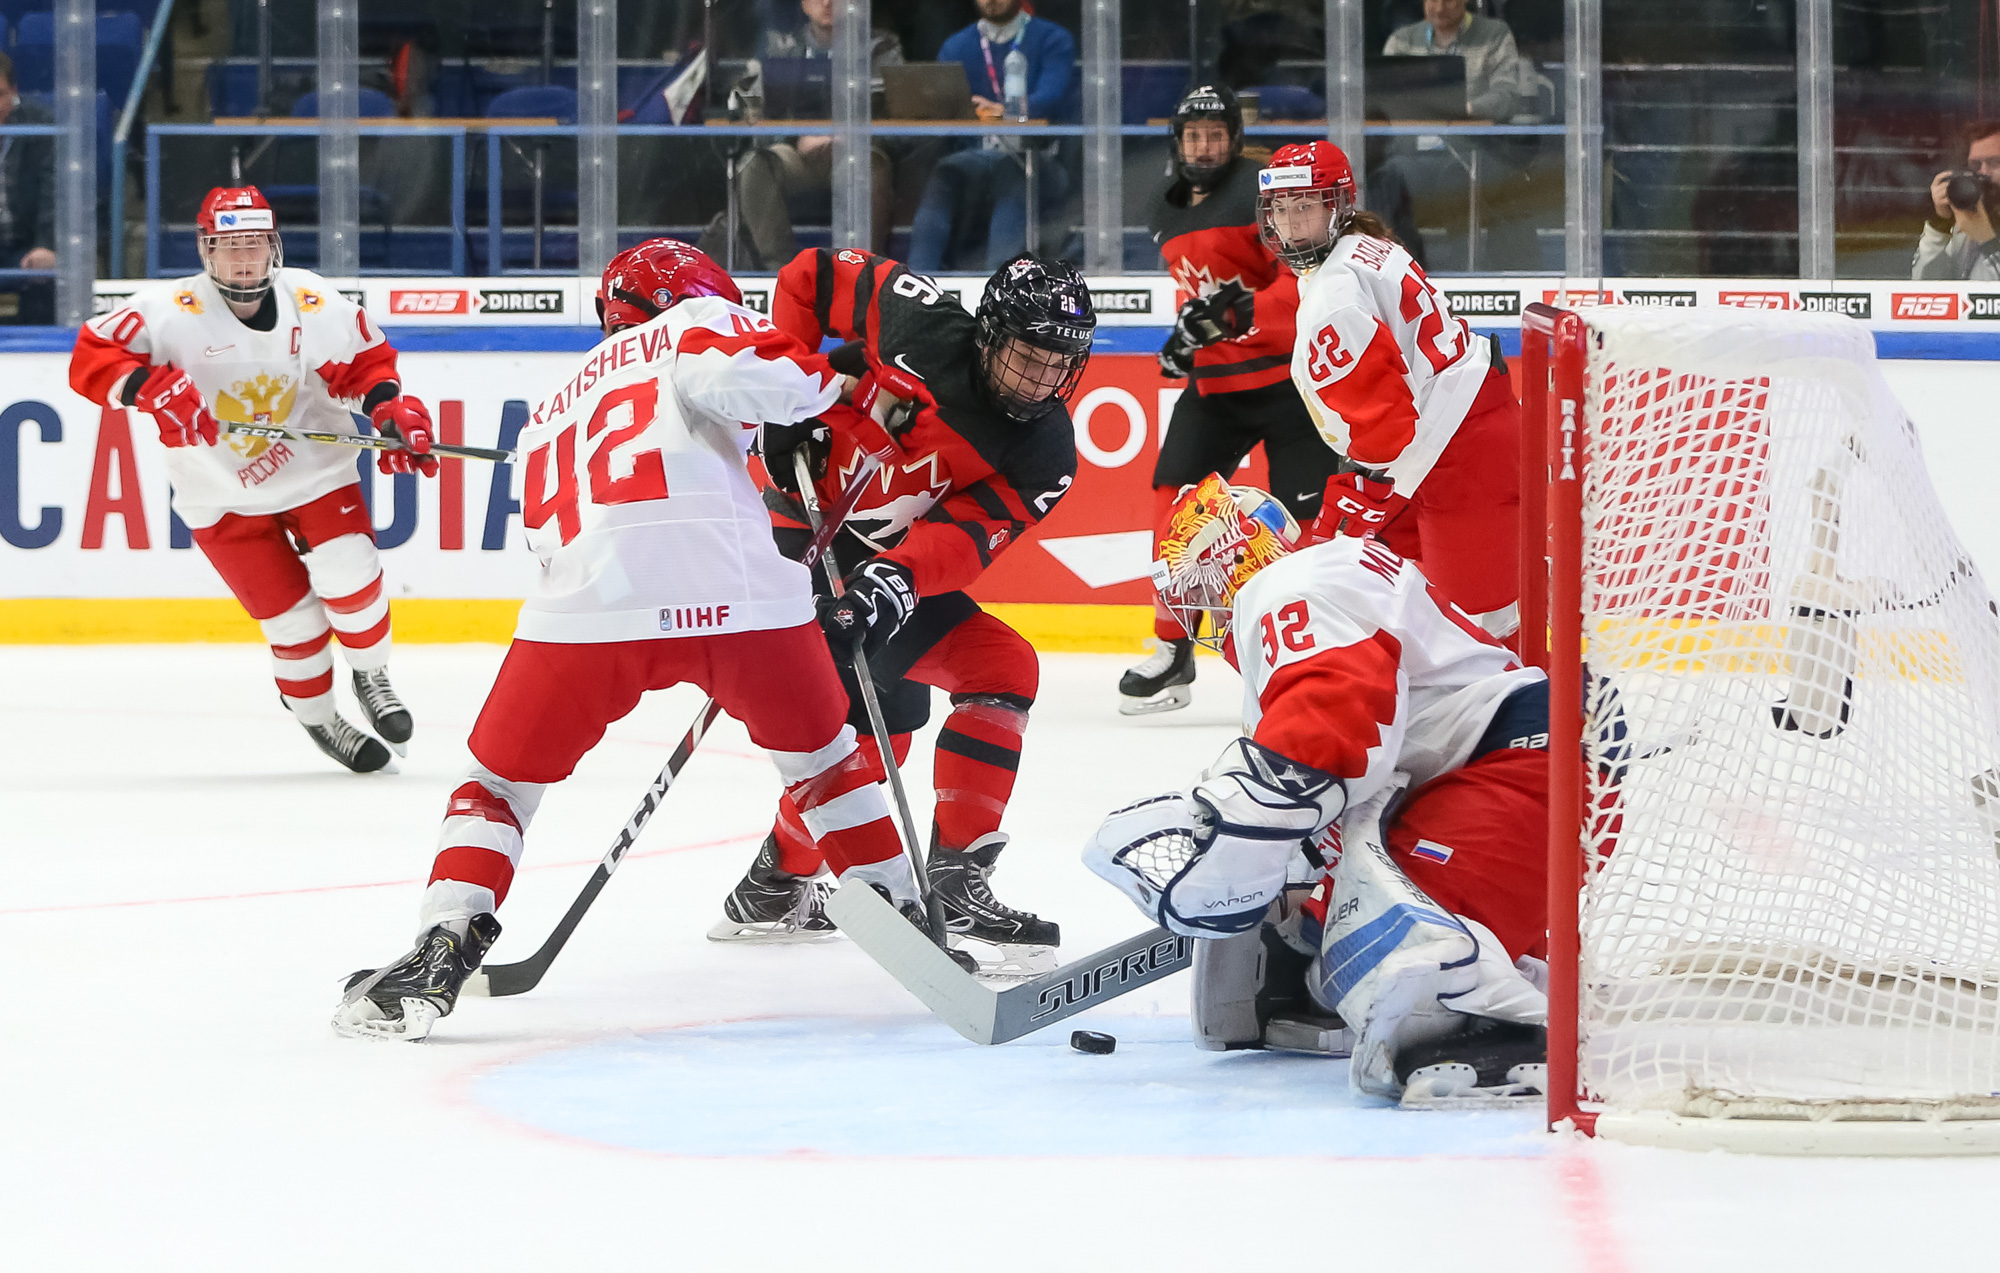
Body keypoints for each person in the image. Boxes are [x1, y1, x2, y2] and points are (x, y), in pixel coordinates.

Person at [333, 240, 939, 1041]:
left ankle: (446, 939)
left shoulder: (554, 401)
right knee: (826, 762)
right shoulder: (694, 321)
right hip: (746, 603)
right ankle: (901, 909)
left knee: (496, 788)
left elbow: (549, 538)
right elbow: (768, 378)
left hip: (589, 611)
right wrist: (847, 386)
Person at [1085, 474, 1551, 1103]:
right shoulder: (1325, 576)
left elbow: (1336, 721)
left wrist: (1242, 835)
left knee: (1375, 936)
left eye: (1196, 586)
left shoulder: (1289, 587)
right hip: (1508, 774)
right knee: (1332, 916)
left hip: (1521, 767)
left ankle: (1498, 1034)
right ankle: (1496, 968)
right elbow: (1360, 763)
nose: (1197, 610)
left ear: (1231, 554)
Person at [709, 247, 1094, 969]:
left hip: (881, 566)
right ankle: (789, 880)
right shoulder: (916, 314)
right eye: (1026, 356)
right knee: (882, 728)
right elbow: (807, 276)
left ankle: (813, 878)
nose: (1041, 378)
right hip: (801, 527)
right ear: (987, 335)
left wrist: (893, 581)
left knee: (950, 694)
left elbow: (968, 536)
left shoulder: (1047, 451)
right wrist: (786, 393)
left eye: (1057, 363)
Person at [70, 186, 435, 773]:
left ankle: (371, 672)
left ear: (274, 247)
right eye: (228, 245)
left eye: (255, 244)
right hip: (218, 495)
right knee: (295, 624)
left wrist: (389, 408)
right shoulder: (168, 311)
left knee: (352, 575)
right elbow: (91, 356)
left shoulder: (310, 299)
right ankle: (320, 719)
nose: (243, 258)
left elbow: (364, 365)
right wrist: (146, 389)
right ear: (205, 250)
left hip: (315, 474)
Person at [1119, 83, 1340, 716]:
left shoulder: (1262, 191)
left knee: (1305, 529)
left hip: (1287, 386)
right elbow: (1200, 293)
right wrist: (1183, 342)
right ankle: (1173, 647)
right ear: (1177, 142)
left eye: (1217, 134)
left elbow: (1301, 286)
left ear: (1236, 139)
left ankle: (1311, 659)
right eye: (1194, 136)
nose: (1206, 146)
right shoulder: (1164, 208)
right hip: (1214, 388)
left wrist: (1229, 317)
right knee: (1171, 508)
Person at [1258, 140, 1522, 640]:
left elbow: (1387, 430)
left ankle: (1546, 716)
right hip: (1460, 439)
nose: (1291, 224)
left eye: (1306, 207)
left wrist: (1357, 484)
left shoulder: (1333, 295)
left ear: (1337, 205)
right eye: (1282, 209)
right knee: (1394, 607)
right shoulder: (1366, 247)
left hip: (1457, 456)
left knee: (1481, 633)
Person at [695, 0, 904, 268]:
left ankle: (863, 271)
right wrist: (793, 137)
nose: (828, 3)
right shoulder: (779, 47)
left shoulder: (882, 46)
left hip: (855, 150)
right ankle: (781, 272)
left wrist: (847, 136)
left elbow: (897, 116)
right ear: (804, 5)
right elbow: (755, 111)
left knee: (867, 165)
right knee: (755, 166)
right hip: (797, 152)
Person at [907, 0, 1076, 273]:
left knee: (1010, 172)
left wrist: (1005, 111)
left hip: (1038, 158)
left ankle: (999, 285)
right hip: (975, 156)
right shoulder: (956, 46)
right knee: (944, 172)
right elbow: (940, 106)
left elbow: (1051, 95)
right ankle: (918, 278)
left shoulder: (1053, 39)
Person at [1381, 0, 1536, 122]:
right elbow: (1383, 98)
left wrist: (1468, 110)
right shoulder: (1400, 41)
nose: (1440, 8)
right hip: (1407, 152)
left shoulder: (1495, 35)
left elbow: (1507, 96)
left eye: (1448, 1)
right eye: (1433, 0)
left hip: (1475, 150)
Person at [0, 53, 56, 324]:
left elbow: (53, 190)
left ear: (14, 91)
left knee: (46, 277)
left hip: (26, 245)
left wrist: (46, 245)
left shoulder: (41, 127)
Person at [1916, 120, 2000, 282]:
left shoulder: (1975, 225)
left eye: (1994, 162)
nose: (1983, 172)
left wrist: (1987, 240)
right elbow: (1921, 285)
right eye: (1975, 164)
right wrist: (1940, 225)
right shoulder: (1964, 219)